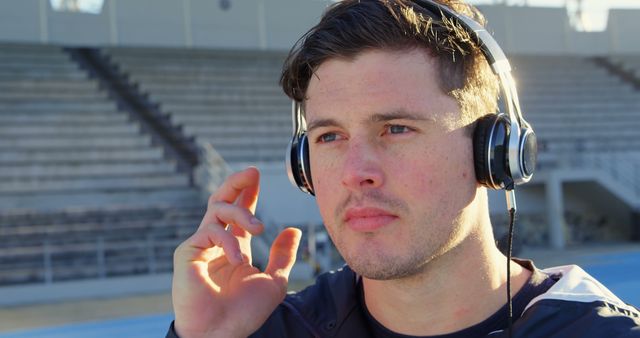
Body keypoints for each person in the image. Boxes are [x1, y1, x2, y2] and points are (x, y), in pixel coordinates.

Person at [166, 0, 640, 337]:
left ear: (494, 151)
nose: (356, 172)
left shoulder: (595, 330)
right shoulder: (271, 328)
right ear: (304, 165)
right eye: (329, 137)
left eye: (395, 129)